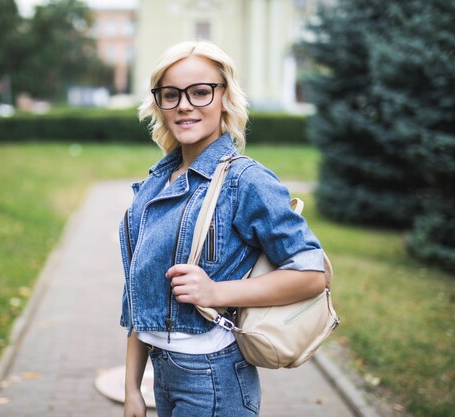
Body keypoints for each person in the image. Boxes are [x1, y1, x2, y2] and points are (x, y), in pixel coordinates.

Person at [119, 40, 326, 417]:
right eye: (171, 94)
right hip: (163, 374)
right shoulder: (156, 184)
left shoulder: (245, 180)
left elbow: (312, 275)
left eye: (200, 92)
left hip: (213, 379)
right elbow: (137, 291)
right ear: (159, 103)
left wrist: (216, 291)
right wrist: (133, 386)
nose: (184, 104)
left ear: (224, 97)